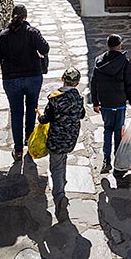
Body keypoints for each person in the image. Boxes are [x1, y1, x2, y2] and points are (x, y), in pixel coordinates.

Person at [0, 5, 50, 161]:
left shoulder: (3, 35)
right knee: (32, 108)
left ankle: (18, 150)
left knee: (16, 113)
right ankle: (29, 143)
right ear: (26, 16)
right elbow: (45, 48)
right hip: (33, 77)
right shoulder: (32, 33)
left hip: (11, 79)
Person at [38, 68, 86, 216]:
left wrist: (40, 118)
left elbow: (46, 118)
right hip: (71, 138)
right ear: (77, 83)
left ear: (62, 78)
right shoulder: (78, 98)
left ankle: (59, 197)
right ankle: (62, 183)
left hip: (56, 138)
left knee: (56, 167)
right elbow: (82, 114)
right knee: (62, 160)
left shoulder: (54, 99)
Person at [90, 34, 131, 174]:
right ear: (120, 45)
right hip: (120, 103)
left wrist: (95, 102)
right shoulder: (125, 63)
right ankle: (118, 160)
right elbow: (130, 86)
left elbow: (94, 84)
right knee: (118, 131)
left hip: (105, 103)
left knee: (107, 130)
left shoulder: (99, 62)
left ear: (107, 45)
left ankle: (106, 160)